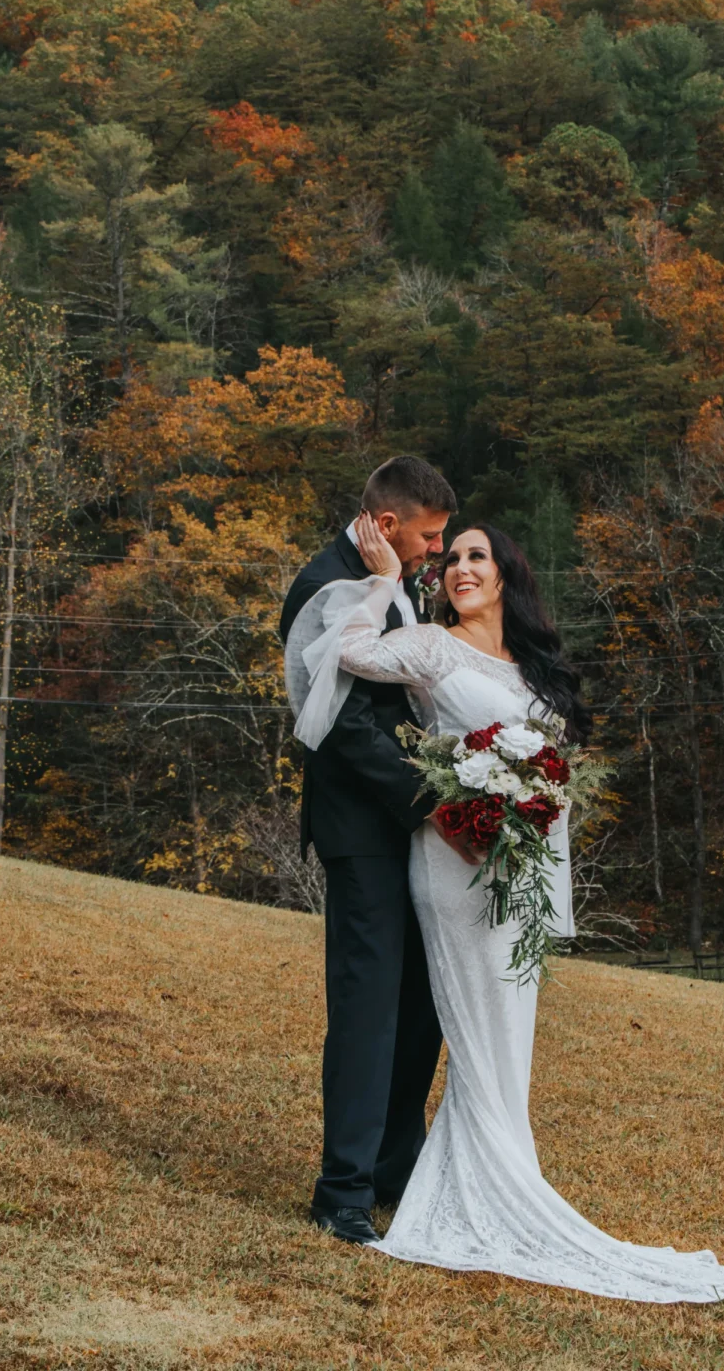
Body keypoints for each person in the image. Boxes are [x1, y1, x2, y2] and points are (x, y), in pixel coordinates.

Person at [285, 515, 724, 1302]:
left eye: (477, 556)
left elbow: (554, 781)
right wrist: (382, 583)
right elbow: (346, 654)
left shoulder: (536, 674)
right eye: (452, 557)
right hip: (454, 865)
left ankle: (504, 1177)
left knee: (508, 1033)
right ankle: (480, 1190)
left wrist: (538, 850)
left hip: (518, 874)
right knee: (472, 1031)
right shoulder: (431, 647)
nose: (459, 568)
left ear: (506, 575)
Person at [279, 456, 457, 1246]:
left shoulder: (396, 578)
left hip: (419, 832)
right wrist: (438, 798)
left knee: (423, 1004)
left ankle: (396, 1165)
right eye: (428, 536)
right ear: (388, 527)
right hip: (364, 832)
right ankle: (342, 1189)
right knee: (367, 1011)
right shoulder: (325, 587)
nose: (436, 553)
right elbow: (345, 729)